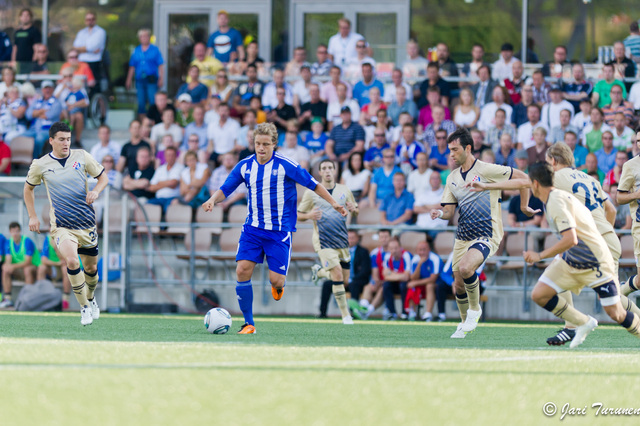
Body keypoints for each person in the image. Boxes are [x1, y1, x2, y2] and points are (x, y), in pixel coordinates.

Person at [202, 123, 347, 334]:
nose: (261, 148)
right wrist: (213, 200)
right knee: (242, 270)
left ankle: (278, 286)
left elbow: (313, 184)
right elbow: (227, 187)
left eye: (265, 144)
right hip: (252, 229)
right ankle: (248, 323)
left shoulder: (285, 165)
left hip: (279, 232)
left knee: (276, 280)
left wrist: (333, 202)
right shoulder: (245, 165)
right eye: (257, 144)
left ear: (274, 145)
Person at [431, 128, 534, 338]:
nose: (450, 154)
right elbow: (450, 211)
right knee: (457, 284)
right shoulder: (451, 178)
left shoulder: (486, 169)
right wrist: (440, 213)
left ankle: (475, 310)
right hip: (463, 236)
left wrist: (523, 207)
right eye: (449, 150)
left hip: (487, 233)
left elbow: (525, 180)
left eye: (454, 149)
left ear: (468, 148)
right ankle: (463, 324)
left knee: (466, 267)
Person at [22, 122, 107, 325]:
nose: (66, 143)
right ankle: (84, 308)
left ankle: (91, 298)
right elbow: (28, 189)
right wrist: (33, 216)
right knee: (72, 261)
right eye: (61, 139)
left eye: (68, 139)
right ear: (51, 140)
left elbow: (103, 177)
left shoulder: (82, 156)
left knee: (92, 269)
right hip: (61, 226)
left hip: (86, 224)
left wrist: (96, 190)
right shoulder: (40, 164)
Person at [300, 159, 359, 324]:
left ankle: (319, 272)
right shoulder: (312, 192)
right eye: (324, 168)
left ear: (335, 170)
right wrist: (309, 215)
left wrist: (354, 209)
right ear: (319, 172)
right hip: (322, 240)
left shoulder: (344, 190)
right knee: (338, 273)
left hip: (341, 240)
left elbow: (355, 209)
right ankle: (346, 315)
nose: (327, 171)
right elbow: (297, 215)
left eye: (330, 168)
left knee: (344, 280)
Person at [126, 29, 164, 119]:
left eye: (146, 36)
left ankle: (154, 121)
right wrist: (128, 79)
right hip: (140, 79)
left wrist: (161, 78)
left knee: (152, 101)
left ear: (149, 37)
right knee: (141, 102)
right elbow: (132, 66)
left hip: (151, 79)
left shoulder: (155, 50)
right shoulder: (136, 50)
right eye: (142, 36)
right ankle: (143, 124)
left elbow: (160, 65)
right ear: (139, 38)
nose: (144, 38)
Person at [0, 222, 37, 308]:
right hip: (19, 270)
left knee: (27, 269)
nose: (15, 234)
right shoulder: (8, 242)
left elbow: (28, 262)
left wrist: (12, 266)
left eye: (17, 231)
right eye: (13, 231)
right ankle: (8, 298)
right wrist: (7, 265)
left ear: (20, 231)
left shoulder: (27, 241)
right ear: (10, 232)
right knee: (5, 269)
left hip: (33, 269)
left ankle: (27, 298)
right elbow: (8, 260)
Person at [22, 80, 63, 157]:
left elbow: (49, 115)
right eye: (45, 88)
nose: (47, 90)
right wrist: (41, 111)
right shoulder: (37, 101)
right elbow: (28, 115)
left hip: (47, 130)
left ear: (53, 90)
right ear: (42, 90)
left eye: (49, 88)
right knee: (21, 137)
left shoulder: (56, 102)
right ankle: (21, 159)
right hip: (33, 129)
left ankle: (35, 159)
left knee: (39, 139)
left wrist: (35, 113)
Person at [406, 240, 443, 321]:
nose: (422, 252)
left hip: (436, 284)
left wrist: (415, 283)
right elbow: (413, 278)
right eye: (420, 250)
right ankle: (412, 312)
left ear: (429, 249)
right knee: (412, 286)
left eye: (424, 249)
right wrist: (419, 264)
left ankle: (428, 313)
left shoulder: (435, 259)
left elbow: (433, 279)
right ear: (416, 251)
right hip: (421, 283)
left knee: (429, 285)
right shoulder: (415, 259)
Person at [380, 236, 413, 320]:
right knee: (386, 285)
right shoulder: (387, 257)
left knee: (403, 285)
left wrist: (392, 274)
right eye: (391, 248)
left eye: (396, 248)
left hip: (406, 284)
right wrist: (399, 275)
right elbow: (385, 276)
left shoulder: (406, 255)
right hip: (395, 284)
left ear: (400, 248)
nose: (394, 251)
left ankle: (404, 312)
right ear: (388, 249)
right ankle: (392, 312)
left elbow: (406, 277)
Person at [72, 11, 107, 90]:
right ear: (85, 21)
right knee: (80, 83)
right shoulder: (81, 32)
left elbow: (94, 47)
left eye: (92, 19)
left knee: (93, 84)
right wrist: (88, 49)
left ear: (95, 20)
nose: (90, 21)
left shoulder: (100, 32)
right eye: (88, 19)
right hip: (82, 62)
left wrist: (83, 49)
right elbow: (75, 47)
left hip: (94, 62)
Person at [37, 233, 71, 310]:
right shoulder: (47, 239)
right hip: (54, 268)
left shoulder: (65, 238)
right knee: (41, 268)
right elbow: (44, 260)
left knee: (65, 268)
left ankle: (66, 299)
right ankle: (39, 297)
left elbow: (65, 260)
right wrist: (57, 263)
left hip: (64, 269)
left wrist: (56, 248)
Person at [146, 146, 184, 212]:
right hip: (159, 199)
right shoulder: (160, 169)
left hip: (173, 198)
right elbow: (151, 187)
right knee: (146, 205)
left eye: (172, 155)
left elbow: (173, 184)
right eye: (168, 155)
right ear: (165, 156)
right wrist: (168, 183)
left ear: (176, 156)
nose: (170, 157)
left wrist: (159, 183)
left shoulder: (180, 167)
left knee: (171, 207)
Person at [344, 230, 371, 318]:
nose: (350, 240)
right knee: (327, 285)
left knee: (353, 285)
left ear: (357, 239)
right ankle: (323, 313)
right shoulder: (341, 251)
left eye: (352, 238)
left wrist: (351, 279)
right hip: (343, 280)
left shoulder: (363, 252)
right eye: (348, 238)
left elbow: (365, 271)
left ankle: (353, 313)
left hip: (357, 281)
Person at [11, 8, 41, 73]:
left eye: (27, 15)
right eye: (23, 15)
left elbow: (37, 48)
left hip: (29, 63)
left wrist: (34, 62)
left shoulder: (34, 31)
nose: (25, 17)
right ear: (20, 17)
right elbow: (15, 48)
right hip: (19, 63)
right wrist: (13, 61)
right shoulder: (17, 31)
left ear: (31, 17)